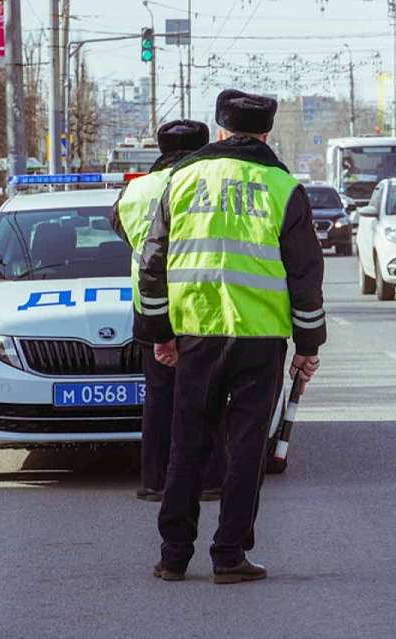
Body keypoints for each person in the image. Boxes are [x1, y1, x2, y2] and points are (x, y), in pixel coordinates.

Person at [137, 90, 326, 584]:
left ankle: (173, 555)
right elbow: (305, 275)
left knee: (187, 444)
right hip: (260, 336)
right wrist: (308, 347)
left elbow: (152, 263)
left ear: (219, 130)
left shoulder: (180, 180)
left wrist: (159, 332)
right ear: (266, 133)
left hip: (195, 332)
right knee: (245, 449)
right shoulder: (282, 187)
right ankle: (229, 555)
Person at [111, 119, 211, 502]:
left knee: (158, 397)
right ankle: (208, 479)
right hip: (201, 302)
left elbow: (120, 228)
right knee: (205, 396)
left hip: (149, 304)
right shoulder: (203, 185)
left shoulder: (135, 190)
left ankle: (153, 480)